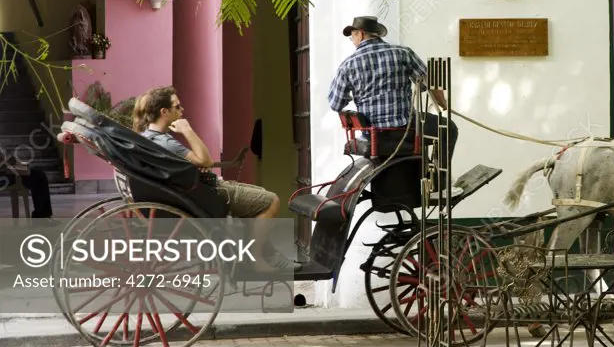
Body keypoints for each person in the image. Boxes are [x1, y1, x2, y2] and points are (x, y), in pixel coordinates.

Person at [132, 86, 296, 272]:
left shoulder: (146, 137)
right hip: (209, 192)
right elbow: (206, 161)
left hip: (199, 187)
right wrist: (187, 130)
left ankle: (264, 253)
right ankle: (256, 260)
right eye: (177, 107)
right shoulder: (166, 142)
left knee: (260, 195)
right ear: (164, 112)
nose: (182, 110)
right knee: (271, 201)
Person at [327, 16, 457, 171]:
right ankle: (439, 180)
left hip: (374, 134)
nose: (353, 40)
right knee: (448, 128)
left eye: (352, 36)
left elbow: (336, 104)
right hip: (407, 129)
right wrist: (443, 104)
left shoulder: (347, 65)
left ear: (360, 35)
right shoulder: (403, 53)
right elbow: (432, 84)